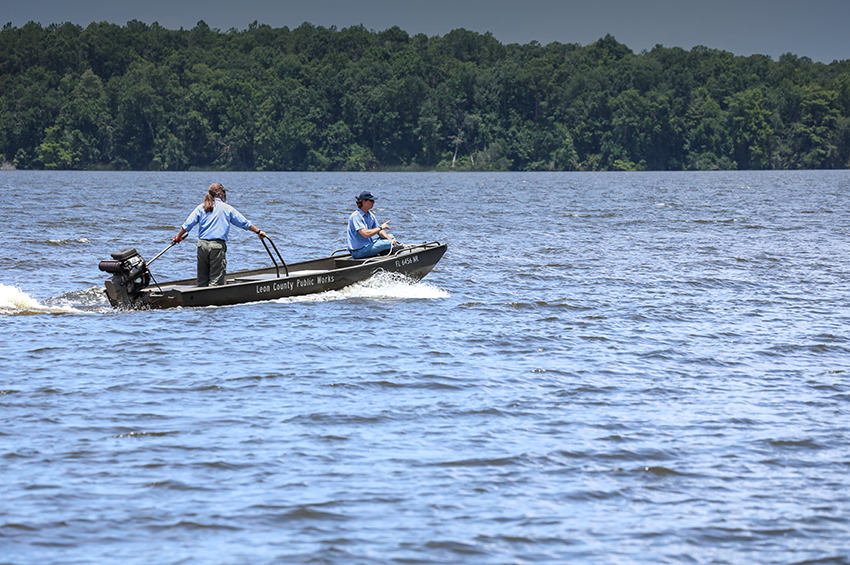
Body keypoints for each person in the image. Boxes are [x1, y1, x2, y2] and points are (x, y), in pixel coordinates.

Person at [173, 183, 266, 287]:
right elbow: (244, 223)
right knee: (216, 280)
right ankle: (212, 300)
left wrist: (178, 237)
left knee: (202, 279)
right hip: (216, 246)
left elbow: (187, 225)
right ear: (220, 194)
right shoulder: (227, 208)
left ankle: (200, 299)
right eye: (224, 192)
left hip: (202, 246)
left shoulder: (201, 208)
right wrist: (258, 232)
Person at [347, 191, 401, 259]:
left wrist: (390, 240)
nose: (374, 202)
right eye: (371, 201)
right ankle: (388, 248)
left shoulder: (370, 215)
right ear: (364, 202)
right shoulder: (356, 216)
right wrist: (381, 227)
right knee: (387, 243)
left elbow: (380, 231)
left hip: (368, 245)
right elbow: (365, 234)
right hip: (358, 251)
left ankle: (388, 247)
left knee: (391, 237)